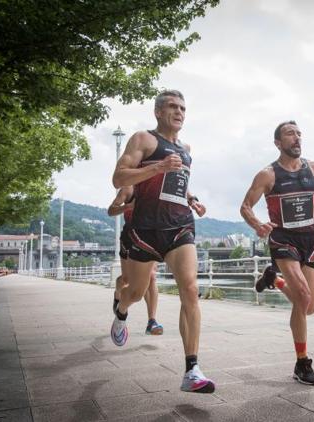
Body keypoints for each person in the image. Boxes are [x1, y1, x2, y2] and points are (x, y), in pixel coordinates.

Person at [110, 89, 213, 393]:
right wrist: (156, 167)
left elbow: (178, 182)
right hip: (145, 229)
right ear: (158, 111)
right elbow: (119, 178)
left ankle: (191, 369)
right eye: (172, 106)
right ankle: (121, 311)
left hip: (180, 226)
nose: (179, 111)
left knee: (191, 289)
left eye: (183, 107)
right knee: (136, 291)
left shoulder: (186, 147)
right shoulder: (143, 139)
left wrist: (192, 199)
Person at [240, 120, 314, 386]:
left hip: (309, 239)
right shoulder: (268, 175)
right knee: (303, 296)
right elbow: (245, 206)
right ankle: (302, 363)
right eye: (290, 134)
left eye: (299, 134)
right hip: (282, 239)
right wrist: (256, 224)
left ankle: (274, 281)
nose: (297, 138)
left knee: (308, 307)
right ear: (278, 143)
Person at [108, 186, 163, 335]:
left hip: (150, 236)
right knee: (126, 280)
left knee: (151, 276)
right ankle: (118, 295)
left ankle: (152, 321)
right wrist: (127, 206)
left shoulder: (157, 187)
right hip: (130, 237)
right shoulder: (128, 189)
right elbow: (111, 210)